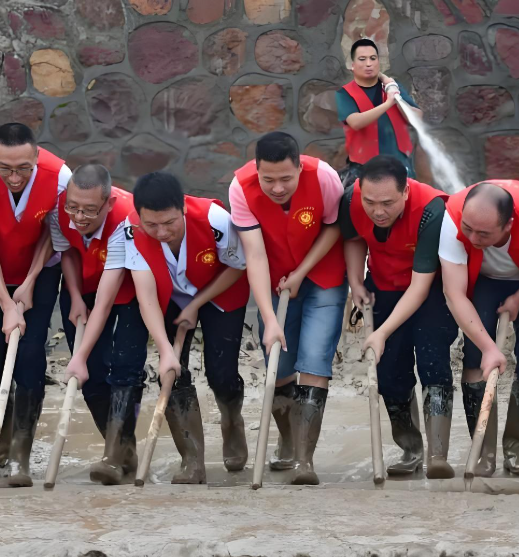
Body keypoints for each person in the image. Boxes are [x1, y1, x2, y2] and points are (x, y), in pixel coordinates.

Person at [230, 131, 347, 485]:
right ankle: (288, 439)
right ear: (257, 170)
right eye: (268, 180)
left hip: (323, 273)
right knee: (278, 362)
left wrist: (302, 272)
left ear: (299, 168)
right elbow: (255, 255)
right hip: (275, 278)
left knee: (314, 358)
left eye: (286, 178)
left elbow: (334, 228)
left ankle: (304, 460)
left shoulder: (324, 177)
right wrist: (268, 320)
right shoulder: (240, 189)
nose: (277, 188)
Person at [0, 122, 70, 487]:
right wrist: (7, 303)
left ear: (36, 156)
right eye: (5, 168)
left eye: (23, 168)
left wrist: (29, 282)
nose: (14, 177)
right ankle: (1, 447)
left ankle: (22, 456)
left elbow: (52, 236)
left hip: (39, 273)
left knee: (30, 355)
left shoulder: (59, 176)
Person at [439, 180, 519, 478]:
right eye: (468, 229)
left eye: (484, 234)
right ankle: (483, 452)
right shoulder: (453, 216)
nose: (472, 238)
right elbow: (454, 293)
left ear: (508, 224)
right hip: (483, 280)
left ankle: (516, 449)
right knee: (476, 360)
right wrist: (489, 348)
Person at [126, 172, 250, 484]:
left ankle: (232, 420)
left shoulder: (214, 219)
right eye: (151, 225)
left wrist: (196, 304)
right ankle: (192, 461)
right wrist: (164, 350)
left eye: (169, 222)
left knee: (221, 374)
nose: (161, 232)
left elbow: (238, 266)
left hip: (220, 291)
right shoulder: (130, 232)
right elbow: (145, 296)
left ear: (182, 208)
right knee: (171, 373)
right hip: (169, 296)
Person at [340, 155, 459, 478]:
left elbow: (420, 288)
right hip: (383, 286)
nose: (377, 211)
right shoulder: (350, 199)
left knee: (433, 364)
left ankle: (437, 454)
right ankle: (410, 449)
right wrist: (355, 281)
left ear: (405, 192)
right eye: (370, 202)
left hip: (430, 290)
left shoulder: (432, 210)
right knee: (389, 373)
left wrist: (380, 333)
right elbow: (353, 238)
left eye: (387, 203)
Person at [45, 164, 147, 485]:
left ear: (109, 203)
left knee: (126, 368)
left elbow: (106, 299)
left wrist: (78, 354)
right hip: (84, 285)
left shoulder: (128, 218)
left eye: (89, 210)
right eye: (73, 207)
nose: (79, 216)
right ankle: (121, 450)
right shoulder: (59, 210)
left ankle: (114, 455)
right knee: (89, 373)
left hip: (128, 288)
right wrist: (75, 296)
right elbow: (67, 253)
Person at [336, 38, 422, 184]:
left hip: (400, 166)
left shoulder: (393, 87)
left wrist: (397, 99)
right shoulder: (345, 94)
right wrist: (388, 103)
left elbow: (417, 117)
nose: (368, 63)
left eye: (373, 58)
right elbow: (355, 122)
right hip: (364, 171)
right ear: (353, 65)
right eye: (362, 59)